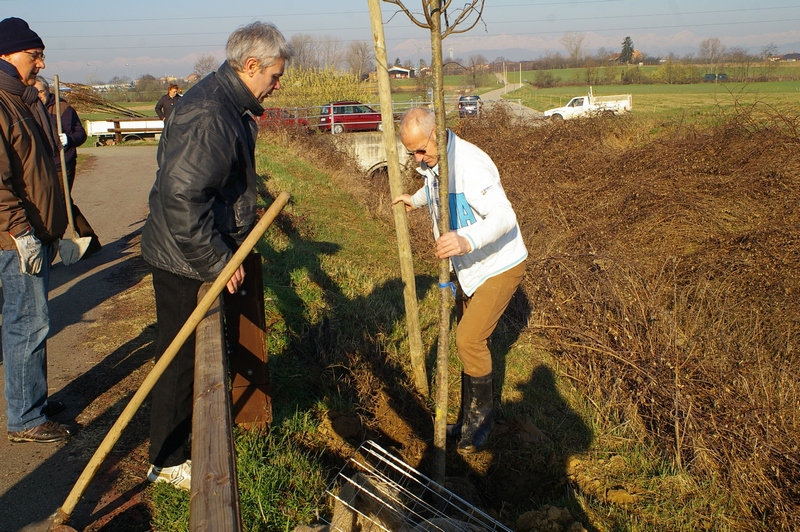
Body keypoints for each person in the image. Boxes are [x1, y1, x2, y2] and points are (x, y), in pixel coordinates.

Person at [140, 21, 291, 489]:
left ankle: (179, 445)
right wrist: (217, 262)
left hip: (191, 249)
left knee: (187, 354)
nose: (276, 85)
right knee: (180, 358)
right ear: (251, 66)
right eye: (274, 76)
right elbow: (182, 198)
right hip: (183, 256)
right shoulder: (211, 113)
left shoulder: (225, 103)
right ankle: (167, 460)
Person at [393, 107, 528, 454]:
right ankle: (466, 422)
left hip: (499, 264)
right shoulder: (435, 164)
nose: (419, 160)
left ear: (437, 132)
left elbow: (504, 216)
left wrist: (467, 240)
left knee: (468, 338)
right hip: (470, 268)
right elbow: (433, 187)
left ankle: (482, 425)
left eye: (422, 150)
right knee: (470, 342)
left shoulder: (471, 164)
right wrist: (416, 200)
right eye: (412, 154)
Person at [0, 17, 70, 443]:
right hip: (14, 239)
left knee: (34, 320)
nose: (40, 63)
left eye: (41, 55)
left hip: (32, 233)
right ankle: (25, 417)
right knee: (27, 323)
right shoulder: (2, 103)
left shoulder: (21, 100)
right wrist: (20, 231)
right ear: (6, 54)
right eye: (33, 54)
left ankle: (33, 400)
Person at [34, 76, 102, 257]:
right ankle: (90, 240)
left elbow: (81, 134)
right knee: (63, 204)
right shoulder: (31, 109)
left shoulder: (63, 109)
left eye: (40, 91)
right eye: (34, 92)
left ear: (48, 90)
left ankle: (50, 250)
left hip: (62, 164)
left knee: (59, 204)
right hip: (42, 166)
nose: (38, 95)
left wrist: (68, 139)